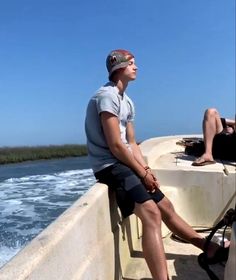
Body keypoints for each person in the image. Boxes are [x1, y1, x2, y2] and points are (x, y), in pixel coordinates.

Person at [85, 49, 228, 280]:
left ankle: (206, 246)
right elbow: (116, 146)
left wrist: (147, 171)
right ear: (119, 68)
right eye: (131, 63)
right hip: (110, 166)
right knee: (152, 214)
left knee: (166, 207)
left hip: (126, 163)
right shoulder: (106, 97)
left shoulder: (127, 102)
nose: (136, 67)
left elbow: (132, 143)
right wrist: (142, 173)